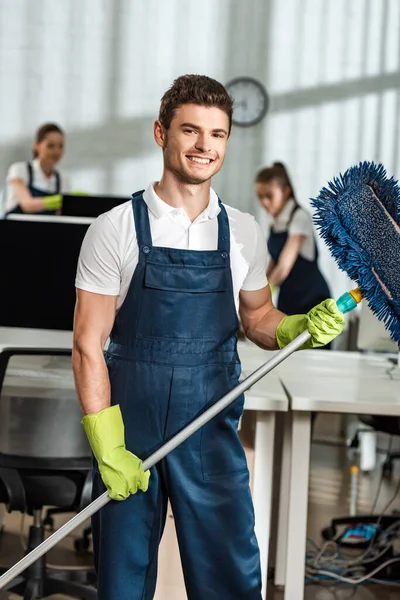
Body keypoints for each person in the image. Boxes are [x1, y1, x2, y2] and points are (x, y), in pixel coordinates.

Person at [73, 74, 345, 600]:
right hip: (131, 427)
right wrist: (108, 445)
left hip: (210, 425)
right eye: (191, 131)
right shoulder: (114, 229)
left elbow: (259, 317)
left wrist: (298, 327)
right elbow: (88, 343)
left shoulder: (242, 230)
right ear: (161, 133)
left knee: (230, 578)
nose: (204, 146)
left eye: (217, 135)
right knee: (122, 583)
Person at [255, 162, 331, 315]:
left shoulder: (299, 217)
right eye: (260, 196)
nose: (264, 202)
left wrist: (261, 297)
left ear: (286, 192)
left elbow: (283, 268)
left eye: (269, 196)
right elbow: (275, 260)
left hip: (311, 300)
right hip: (288, 298)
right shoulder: (274, 220)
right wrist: (258, 288)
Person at [4, 122, 67, 215]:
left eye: (60, 146)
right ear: (37, 145)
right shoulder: (20, 170)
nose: (56, 151)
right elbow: (27, 205)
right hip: (15, 227)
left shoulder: (62, 179)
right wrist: (59, 201)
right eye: (50, 146)